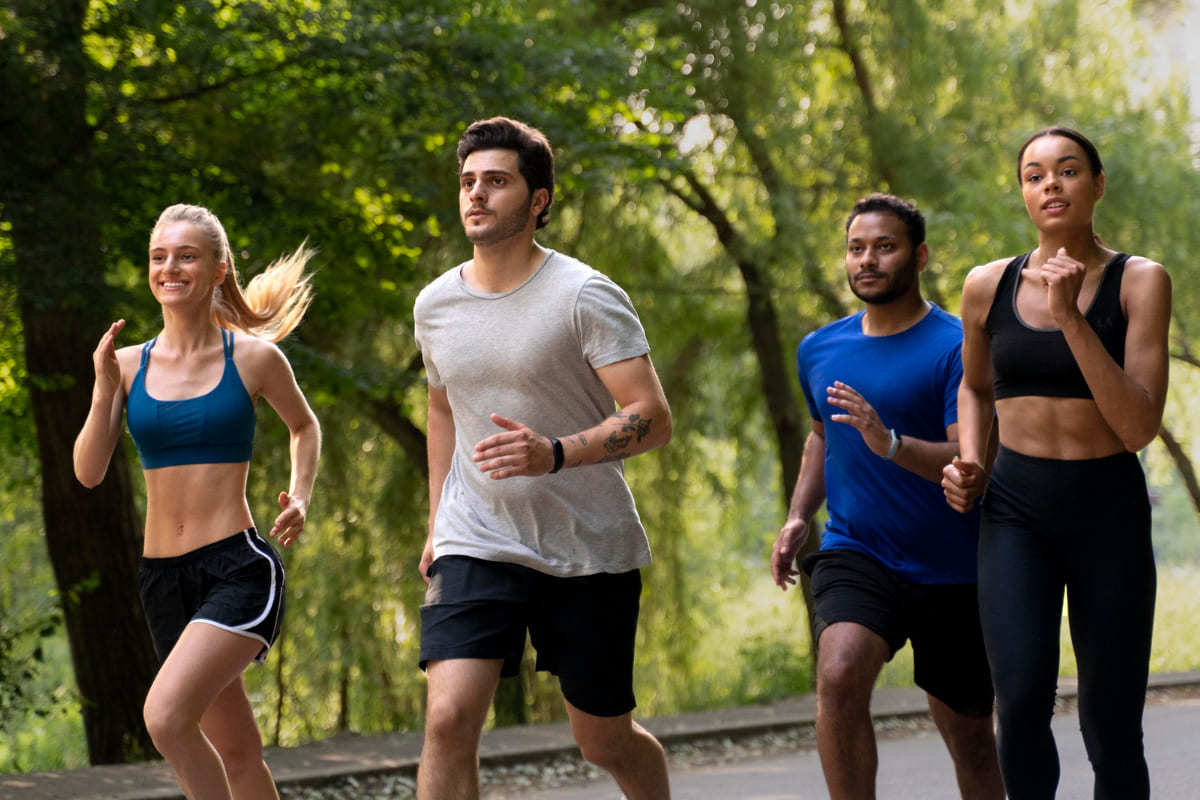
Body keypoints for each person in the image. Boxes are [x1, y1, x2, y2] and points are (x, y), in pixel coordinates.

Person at [411, 116, 672, 800]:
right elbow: (442, 408)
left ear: (538, 199)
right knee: (447, 718)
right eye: (468, 182)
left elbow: (650, 417)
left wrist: (553, 453)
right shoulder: (435, 305)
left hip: (587, 547)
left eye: (496, 181)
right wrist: (437, 520)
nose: (475, 195)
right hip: (478, 536)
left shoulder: (584, 295)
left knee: (603, 739)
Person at [943, 127, 1170, 799]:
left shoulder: (1139, 281)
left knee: (1111, 724)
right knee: (1016, 703)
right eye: (1035, 175)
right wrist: (969, 459)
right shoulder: (986, 285)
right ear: (1022, 193)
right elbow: (975, 387)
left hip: (1109, 511)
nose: (1051, 185)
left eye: (1068, 171)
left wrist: (1072, 318)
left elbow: (1137, 427)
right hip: (1015, 513)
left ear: (1097, 186)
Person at [73, 204, 320, 800]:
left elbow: (304, 427)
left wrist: (301, 497)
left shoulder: (254, 358)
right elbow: (86, 472)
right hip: (162, 580)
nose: (169, 267)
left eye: (186, 255)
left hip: (237, 568)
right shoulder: (127, 366)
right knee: (238, 753)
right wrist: (105, 386)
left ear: (217, 270)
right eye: (159, 256)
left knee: (164, 717)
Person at [771, 194, 1003, 800]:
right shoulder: (818, 349)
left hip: (953, 567)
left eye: (885, 246)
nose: (867, 260)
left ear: (919, 255)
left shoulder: (957, 346)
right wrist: (799, 516)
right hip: (858, 550)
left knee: (973, 741)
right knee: (840, 672)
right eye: (856, 248)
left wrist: (892, 442)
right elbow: (821, 438)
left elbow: (969, 457)